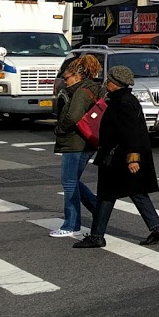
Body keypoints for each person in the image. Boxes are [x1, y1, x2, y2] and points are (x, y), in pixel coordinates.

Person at [75, 66, 159, 249]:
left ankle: (97, 236)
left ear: (115, 83)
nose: (106, 82)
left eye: (108, 80)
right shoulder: (121, 100)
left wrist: (133, 158)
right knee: (134, 192)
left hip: (118, 157)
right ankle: (157, 228)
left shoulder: (124, 103)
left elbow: (132, 132)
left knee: (107, 195)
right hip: (118, 156)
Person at [50, 55, 103, 237]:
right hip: (86, 141)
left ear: (77, 74)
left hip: (76, 141)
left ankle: (71, 224)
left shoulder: (81, 92)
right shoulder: (93, 88)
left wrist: (59, 128)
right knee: (72, 181)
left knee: (69, 182)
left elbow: (72, 117)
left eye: (66, 78)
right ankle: (100, 213)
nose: (65, 81)